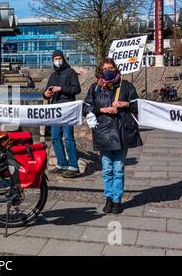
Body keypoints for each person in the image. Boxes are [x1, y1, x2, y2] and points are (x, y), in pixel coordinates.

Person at [83, 58, 142, 215]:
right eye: (105, 68)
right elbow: (86, 107)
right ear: (101, 71)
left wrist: (125, 104)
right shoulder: (95, 87)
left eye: (111, 68)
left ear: (116, 69)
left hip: (122, 133)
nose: (108, 70)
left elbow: (139, 105)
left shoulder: (126, 86)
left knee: (119, 169)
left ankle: (117, 200)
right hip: (103, 132)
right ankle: (108, 198)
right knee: (107, 168)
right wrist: (102, 109)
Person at [43, 50, 82, 179]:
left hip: (67, 109)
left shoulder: (70, 72)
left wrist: (61, 89)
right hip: (55, 110)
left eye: (60, 58)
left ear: (63, 59)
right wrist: (46, 94)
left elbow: (76, 89)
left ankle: (73, 166)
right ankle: (61, 164)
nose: (58, 60)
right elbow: (46, 92)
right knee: (55, 137)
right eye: (55, 58)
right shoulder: (53, 75)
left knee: (68, 137)